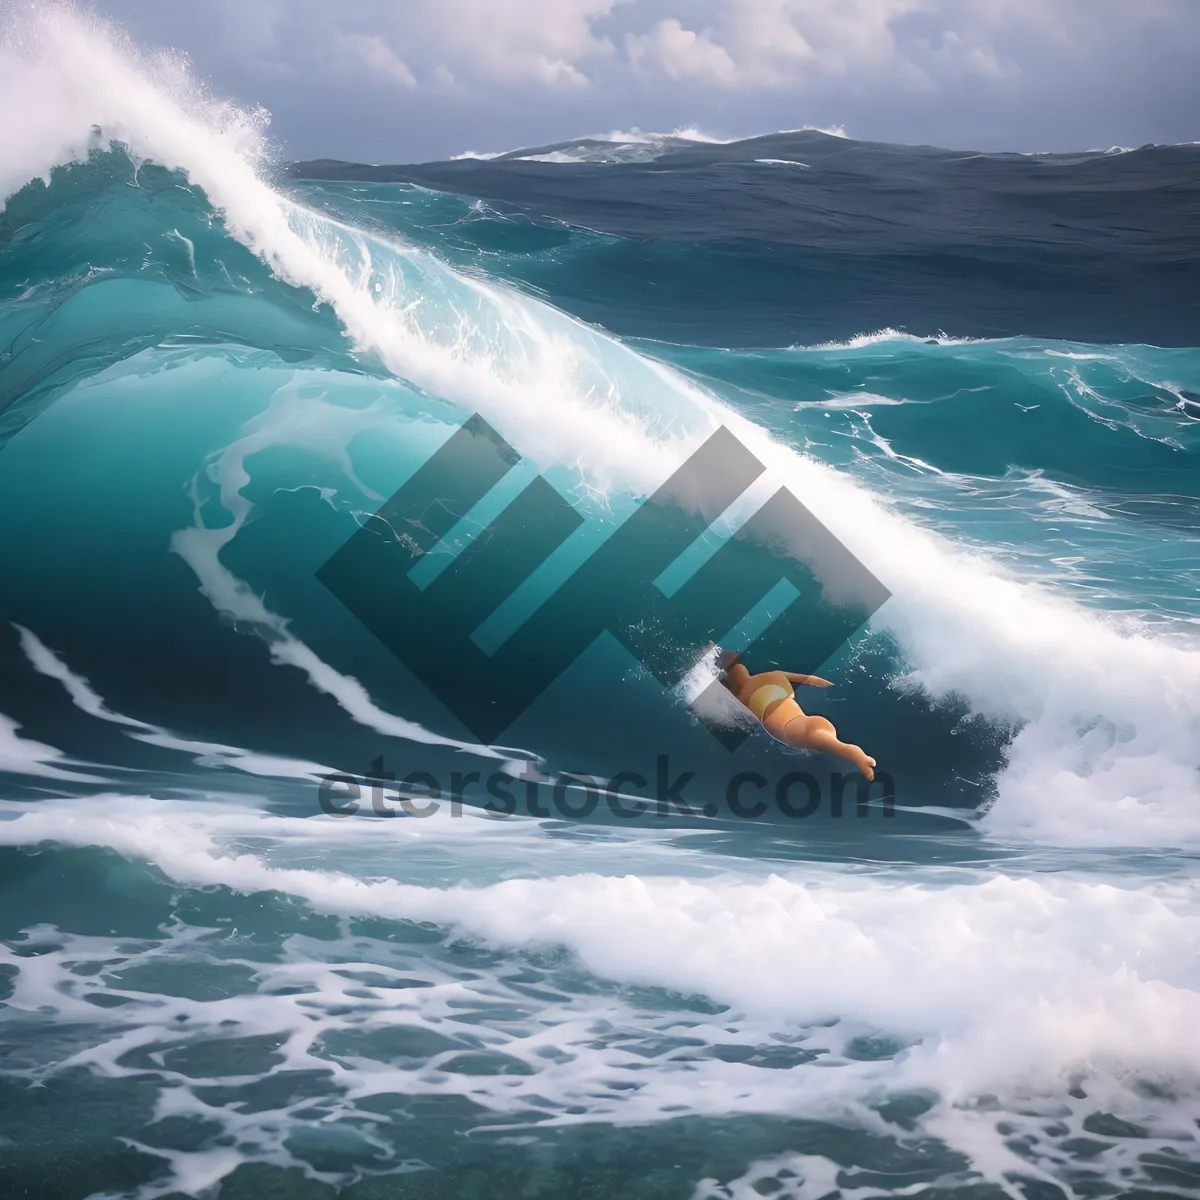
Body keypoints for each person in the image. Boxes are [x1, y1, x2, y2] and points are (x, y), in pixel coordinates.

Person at [715, 649, 876, 780]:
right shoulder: (774, 675)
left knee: (837, 746)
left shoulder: (741, 697)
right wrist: (833, 686)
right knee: (834, 743)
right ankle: (859, 758)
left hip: (794, 729)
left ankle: (860, 759)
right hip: (809, 720)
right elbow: (811, 679)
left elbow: (725, 707)